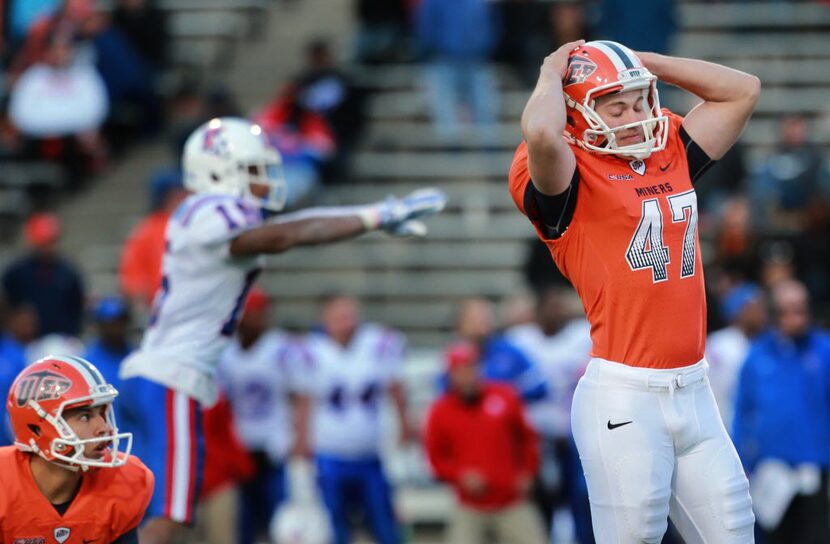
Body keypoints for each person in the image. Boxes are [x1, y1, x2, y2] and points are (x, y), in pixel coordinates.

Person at [117, 116, 446, 543]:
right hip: (171, 374)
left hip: (172, 373)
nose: (264, 182)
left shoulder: (207, 212)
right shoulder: (210, 210)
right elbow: (286, 236)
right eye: (254, 171)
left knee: (162, 507)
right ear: (218, 172)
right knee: (170, 511)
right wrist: (371, 216)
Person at [508, 39, 760, 542]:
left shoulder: (667, 144)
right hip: (625, 399)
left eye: (641, 99)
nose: (634, 114)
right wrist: (552, 68)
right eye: (615, 105)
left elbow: (742, 91)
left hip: (695, 389)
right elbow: (540, 129)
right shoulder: (567, 168)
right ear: (578, 110)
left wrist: (648, 65)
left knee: (735, 534)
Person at [289, 294, 412, 544]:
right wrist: (301, 440)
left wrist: (404, 425)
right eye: (338, 316)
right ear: (324, 320)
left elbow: (396, 388)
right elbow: (304, 401)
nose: (345, 322)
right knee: (334, 526)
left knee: (384, 524)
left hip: (370, 455)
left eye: (349, 315)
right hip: (330, 454)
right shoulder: (311, 351)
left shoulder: (378, 343)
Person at [0, 355, 153, 541]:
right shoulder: (4, 485)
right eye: (85, 416)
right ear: (37, 428)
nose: (104, 428)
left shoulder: (124, 481)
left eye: (102, 413)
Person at [732, 279, 830, 543]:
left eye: (801, 309)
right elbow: (743, 412)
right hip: (769, 470)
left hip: (813, 469)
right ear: (775, 313)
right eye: (789, 310)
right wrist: (741, 461)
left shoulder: (823, 350)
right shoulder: (757, 355)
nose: (797, 317)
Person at [424, 342, 546, 544]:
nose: (467, 376)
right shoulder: (440, 411)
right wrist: (459, 475)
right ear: (451, 375)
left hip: (511, 500)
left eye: (471, 368)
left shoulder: (504, 396)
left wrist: (528, 472)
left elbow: (528, 438)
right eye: (460, 371)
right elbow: (435, 459)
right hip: (470, 504)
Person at [217, 287, 306, 544]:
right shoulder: (226, 352)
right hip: (240, 449)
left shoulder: (282, 349)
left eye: (257, 313)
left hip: (275, 446)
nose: (253, 319)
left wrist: (299, 439)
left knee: (281, 525)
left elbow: (299, 396)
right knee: (243, 526)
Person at [506, 286, 594, 543]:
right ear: (537, 311)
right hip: (533, 435)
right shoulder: (519, 340)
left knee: (581, 496)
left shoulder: (583, 335)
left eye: (561, 305)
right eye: (552, 306)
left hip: (574, 433)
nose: (558, 311)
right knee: (539, 499)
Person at [1, 212, 85, 338]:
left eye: (53, 241)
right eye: (45, 242)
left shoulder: (68, 272)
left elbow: (76, 307)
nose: (50, 247)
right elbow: (7, 304)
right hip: (23, 341)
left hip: (60, 339)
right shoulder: (16, 272)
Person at [705, 282, 766, 430]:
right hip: (724, 423)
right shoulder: (718, 344)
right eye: (751, 306)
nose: (758, 311)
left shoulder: (772, 344)